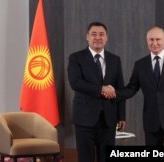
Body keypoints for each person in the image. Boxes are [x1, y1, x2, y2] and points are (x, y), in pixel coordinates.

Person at [102, 26, 164, 146]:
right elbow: (131, 88)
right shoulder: (140, 64)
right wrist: (113, 92)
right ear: (147, 41)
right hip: (151, 121)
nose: (154, 43)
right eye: (151, 40)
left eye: (158, 39)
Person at [67, 22, 126, 162]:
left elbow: (119, 88)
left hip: (109, 119)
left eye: (101, 34)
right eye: (94, 34)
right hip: (84, 119)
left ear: (107, 38)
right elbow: (75, 83)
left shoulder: (115, 60)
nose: (97, 37)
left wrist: (122, 115)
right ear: (87, 37)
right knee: (85, 158)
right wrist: (101, 89)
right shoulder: (76, 58)